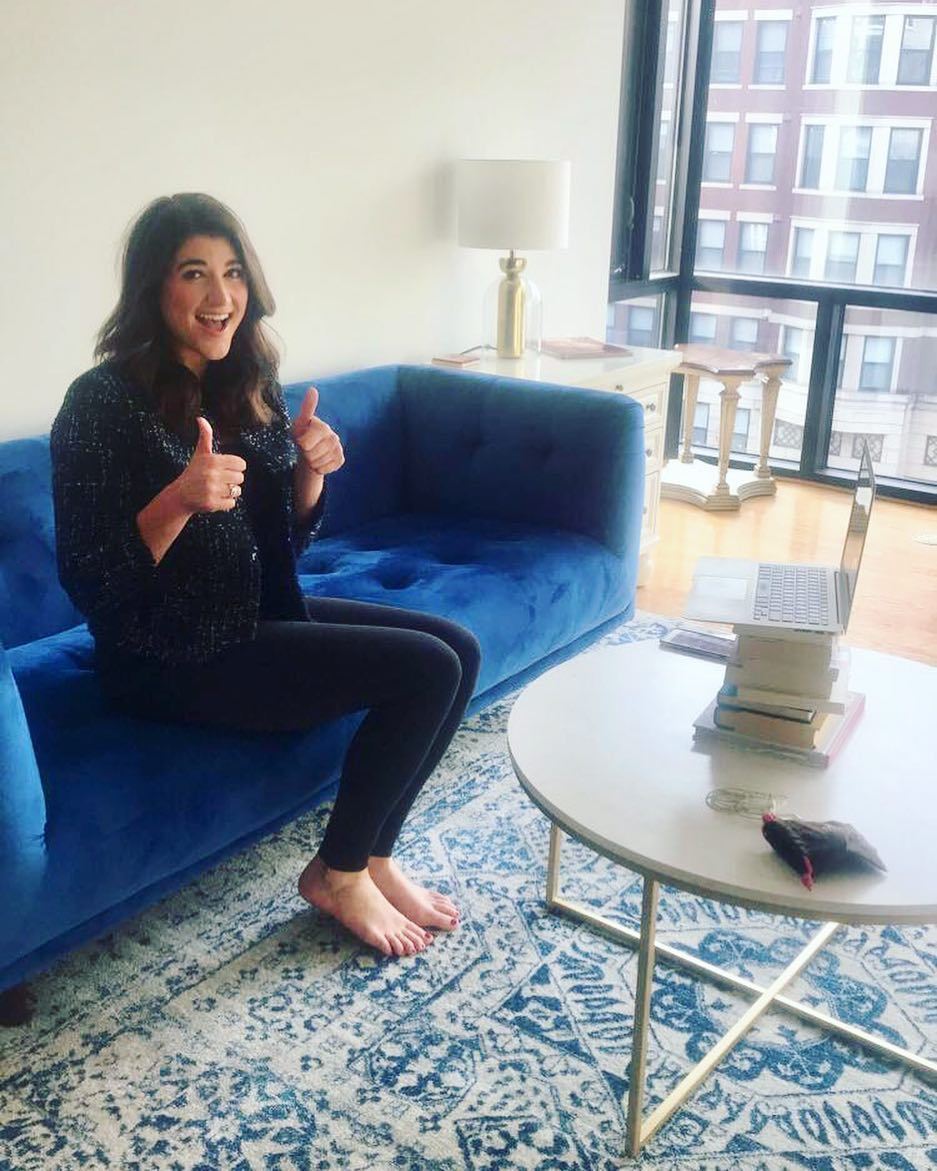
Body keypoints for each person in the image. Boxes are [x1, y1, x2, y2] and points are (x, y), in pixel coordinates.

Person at [50, 193, 481, 959]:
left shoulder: (245, 377)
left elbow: (282, 540)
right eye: (193, 273)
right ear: (153, 286)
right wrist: (177, 500)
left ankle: (374, 853)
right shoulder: (99, 403)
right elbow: (91, 583)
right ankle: (337, 871)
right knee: (425, 669)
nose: (220, 296)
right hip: (168, 653)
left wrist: (310, 474)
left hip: (256, 613)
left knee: (458, 649)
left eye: (233, 272)